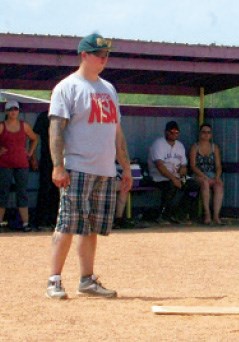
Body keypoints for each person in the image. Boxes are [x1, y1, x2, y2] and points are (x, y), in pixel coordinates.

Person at [46, 33, 132, 300]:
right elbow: (56, 129)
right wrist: (58, 166)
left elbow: (117, 133)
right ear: (84, 55)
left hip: (105, 170)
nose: (104, 59)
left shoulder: (109, 89)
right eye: (98, 54)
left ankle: (87, 279)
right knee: (68, 224)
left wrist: (125, 168)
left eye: (106, 54)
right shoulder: (67, 87)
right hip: (77, 167)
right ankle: (54, 279)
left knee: (92, 226)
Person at [0, 100, 39, 232]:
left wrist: (30, 152)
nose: (13, 111)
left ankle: (25, 223)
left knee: (22, 193)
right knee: (2, 193)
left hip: (22, 164)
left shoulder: (24, 126)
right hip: (4, 164)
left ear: (18, 111)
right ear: (6, 111)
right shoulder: (2, 126)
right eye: (10, 109)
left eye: (15, 109)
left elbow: (35, 138)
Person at [147, 120, 195, 224]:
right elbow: (160, 166)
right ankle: (162, 215)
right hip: (160, 176)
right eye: (171, 132)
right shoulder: (158, 144)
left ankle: (180, 213)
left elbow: (184, 164)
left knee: (194, 185)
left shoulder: (180, 145)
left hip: (176, 175)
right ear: (166, 132)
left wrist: (183, 170)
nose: (174, 134)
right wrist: (174, 179)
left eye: (176, 132)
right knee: (171, 185)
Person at [189, 123, 224, 225]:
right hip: (199, 175)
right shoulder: (195, 147)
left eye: (208, 132)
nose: (206, 134)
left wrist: (217, 177)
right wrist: (204, 176)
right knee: (205, 184)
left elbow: (218, 166)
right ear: (200, 134)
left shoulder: (215, 148)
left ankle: (216, 216)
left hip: (212, 174)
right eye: (203, 132)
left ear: (211, 135)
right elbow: (193, 166)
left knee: (219, 185)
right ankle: (207, 214)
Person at [33, 110, 60, 230]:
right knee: (44, 187)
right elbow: (35, 138)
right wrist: (32, 157)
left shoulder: (66, 114)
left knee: (59, 189)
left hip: (63, 160)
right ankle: (41, 220)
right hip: (46, 158)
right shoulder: (43, 116)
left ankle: (55, 220)